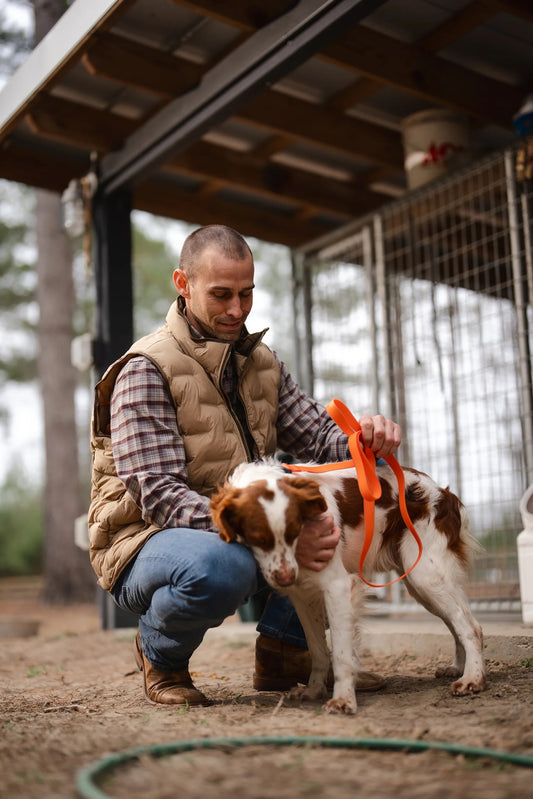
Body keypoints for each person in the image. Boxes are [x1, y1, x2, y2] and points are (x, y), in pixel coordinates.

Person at [88, 224, 402, 707]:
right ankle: (160, 652)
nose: (237, 309)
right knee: (223, 565)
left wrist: (365, 439)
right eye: (221, 294)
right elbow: (159, 494)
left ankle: (284, 651)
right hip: (143, 542)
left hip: (240, 521)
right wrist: (256, 526)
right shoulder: (145, 369)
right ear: (183, 283)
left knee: (324, 513)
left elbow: (319, 436)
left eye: (246, 293)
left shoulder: (261, 362)